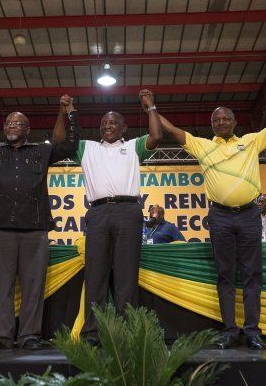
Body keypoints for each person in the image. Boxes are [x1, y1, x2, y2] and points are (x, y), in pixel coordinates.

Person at [158, 74, 266, 350]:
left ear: (235, 123)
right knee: (225, 275)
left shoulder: (250, 141)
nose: (221, 122)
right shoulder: (203, 145)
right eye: (216, 120)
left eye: (225, 119)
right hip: (220, 216)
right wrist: (152, 109)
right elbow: (172, 130)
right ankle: (229, 331)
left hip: (249, 214)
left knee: (252, 274)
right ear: (211, 125)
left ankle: (252, 331)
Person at [0, 85, 79, 351]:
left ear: (27, 129)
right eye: (9, 122)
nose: (12, 125)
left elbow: (70, 145)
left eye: (18, 123)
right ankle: (1, 335)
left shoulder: (41, 152)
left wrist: (70, 113)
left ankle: (29, 336)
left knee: (33, 287)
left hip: (35, 230)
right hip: (1, 229)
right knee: (1, 286)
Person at [55, 89, 162, 345]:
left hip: (128, 212)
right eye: (104, 123)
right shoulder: (86, 147)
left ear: (124, 127)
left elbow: (157, 136)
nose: (108, 126)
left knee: (126, 277)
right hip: (98, 213)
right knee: (96, 276)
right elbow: (59, 140)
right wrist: (62, 112)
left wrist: (150, 107)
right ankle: (92, 333)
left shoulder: (133, 146)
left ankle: (127, 335)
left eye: (113, 122)